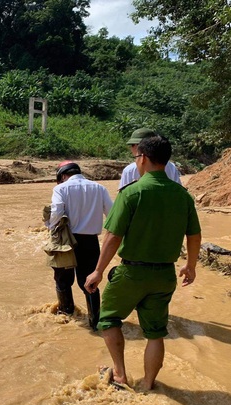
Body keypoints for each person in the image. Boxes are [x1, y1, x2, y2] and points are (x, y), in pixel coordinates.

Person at [85, 136, 202, 391]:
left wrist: (97, 271)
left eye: (136, 157)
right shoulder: (182, 196)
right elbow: (194, 235)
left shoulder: (132, 192)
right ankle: (148, 384)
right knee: (155, 333)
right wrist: (190, 266)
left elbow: (113, 236)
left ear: (144, 158)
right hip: (164, 276)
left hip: (131, 273)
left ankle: (120, 374)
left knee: (109, 320)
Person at [45, 161, 113, 330]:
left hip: (66, 241)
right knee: (90, 282)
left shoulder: (60, 189)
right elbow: (112, 215)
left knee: (62, 280)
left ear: (62, 176)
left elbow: (57, 212)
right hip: (90, 242)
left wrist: (50, 225)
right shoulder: (99, 188)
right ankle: (96, 322)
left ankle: (66, 315)